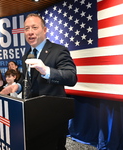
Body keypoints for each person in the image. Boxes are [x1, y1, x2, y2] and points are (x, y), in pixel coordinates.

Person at [22, 13, 77, 150]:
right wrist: (17, 87)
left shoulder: (59, 51)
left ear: (45, 30)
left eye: (34, 27)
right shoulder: (26, 54)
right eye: (27, 28)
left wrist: (46, 70)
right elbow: (29, 81)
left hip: (52, 119)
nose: (30, 32)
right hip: (32, 117)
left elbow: (71, 77)